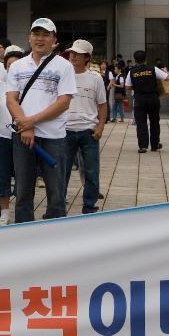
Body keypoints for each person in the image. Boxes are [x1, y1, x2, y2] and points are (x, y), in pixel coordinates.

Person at [7, 18, 75, 223]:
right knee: (22, 190)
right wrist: (24, 126)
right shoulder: (17, 66)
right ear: (29, 37)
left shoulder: (64, 66)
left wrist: (30, 123)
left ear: (54, 39)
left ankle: (55, 235)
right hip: (22, 137)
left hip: (53, 137)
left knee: (56, 192)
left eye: (45, 34)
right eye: (36, 34)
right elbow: (11, 99)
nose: (40, 38)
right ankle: (24, 234)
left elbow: (64, 102)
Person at [62, 39, 108, 215]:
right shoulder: (63, 75)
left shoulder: (95, 78)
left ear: (87, 57)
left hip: (88, 131)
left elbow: (102, 105)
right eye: (71, 53)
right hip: (65, 131)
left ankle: (89, 206)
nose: (72, 56)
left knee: (91, 171)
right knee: (62, 171)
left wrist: (100, 127)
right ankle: (59, 204)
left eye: (77, 54)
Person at [0, 44, 25, 226]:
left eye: (16, 64)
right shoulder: (0, 86)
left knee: (22, 174)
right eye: (9, 65)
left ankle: (22, 209)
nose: (13, 68)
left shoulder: (28, 88)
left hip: (21, 136)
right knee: (1, 174)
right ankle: (4, 212)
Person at [125, 49, 169, 153]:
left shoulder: (132, 72)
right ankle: (154, 145)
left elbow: (127, 86)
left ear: (135, 60)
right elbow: (167, 78)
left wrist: (137, 88)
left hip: (139, 99)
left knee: (141, 123)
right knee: (154, 122)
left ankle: (143, 146)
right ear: (146, 59)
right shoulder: (153, 69)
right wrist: (166, 71)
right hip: (153, 98)